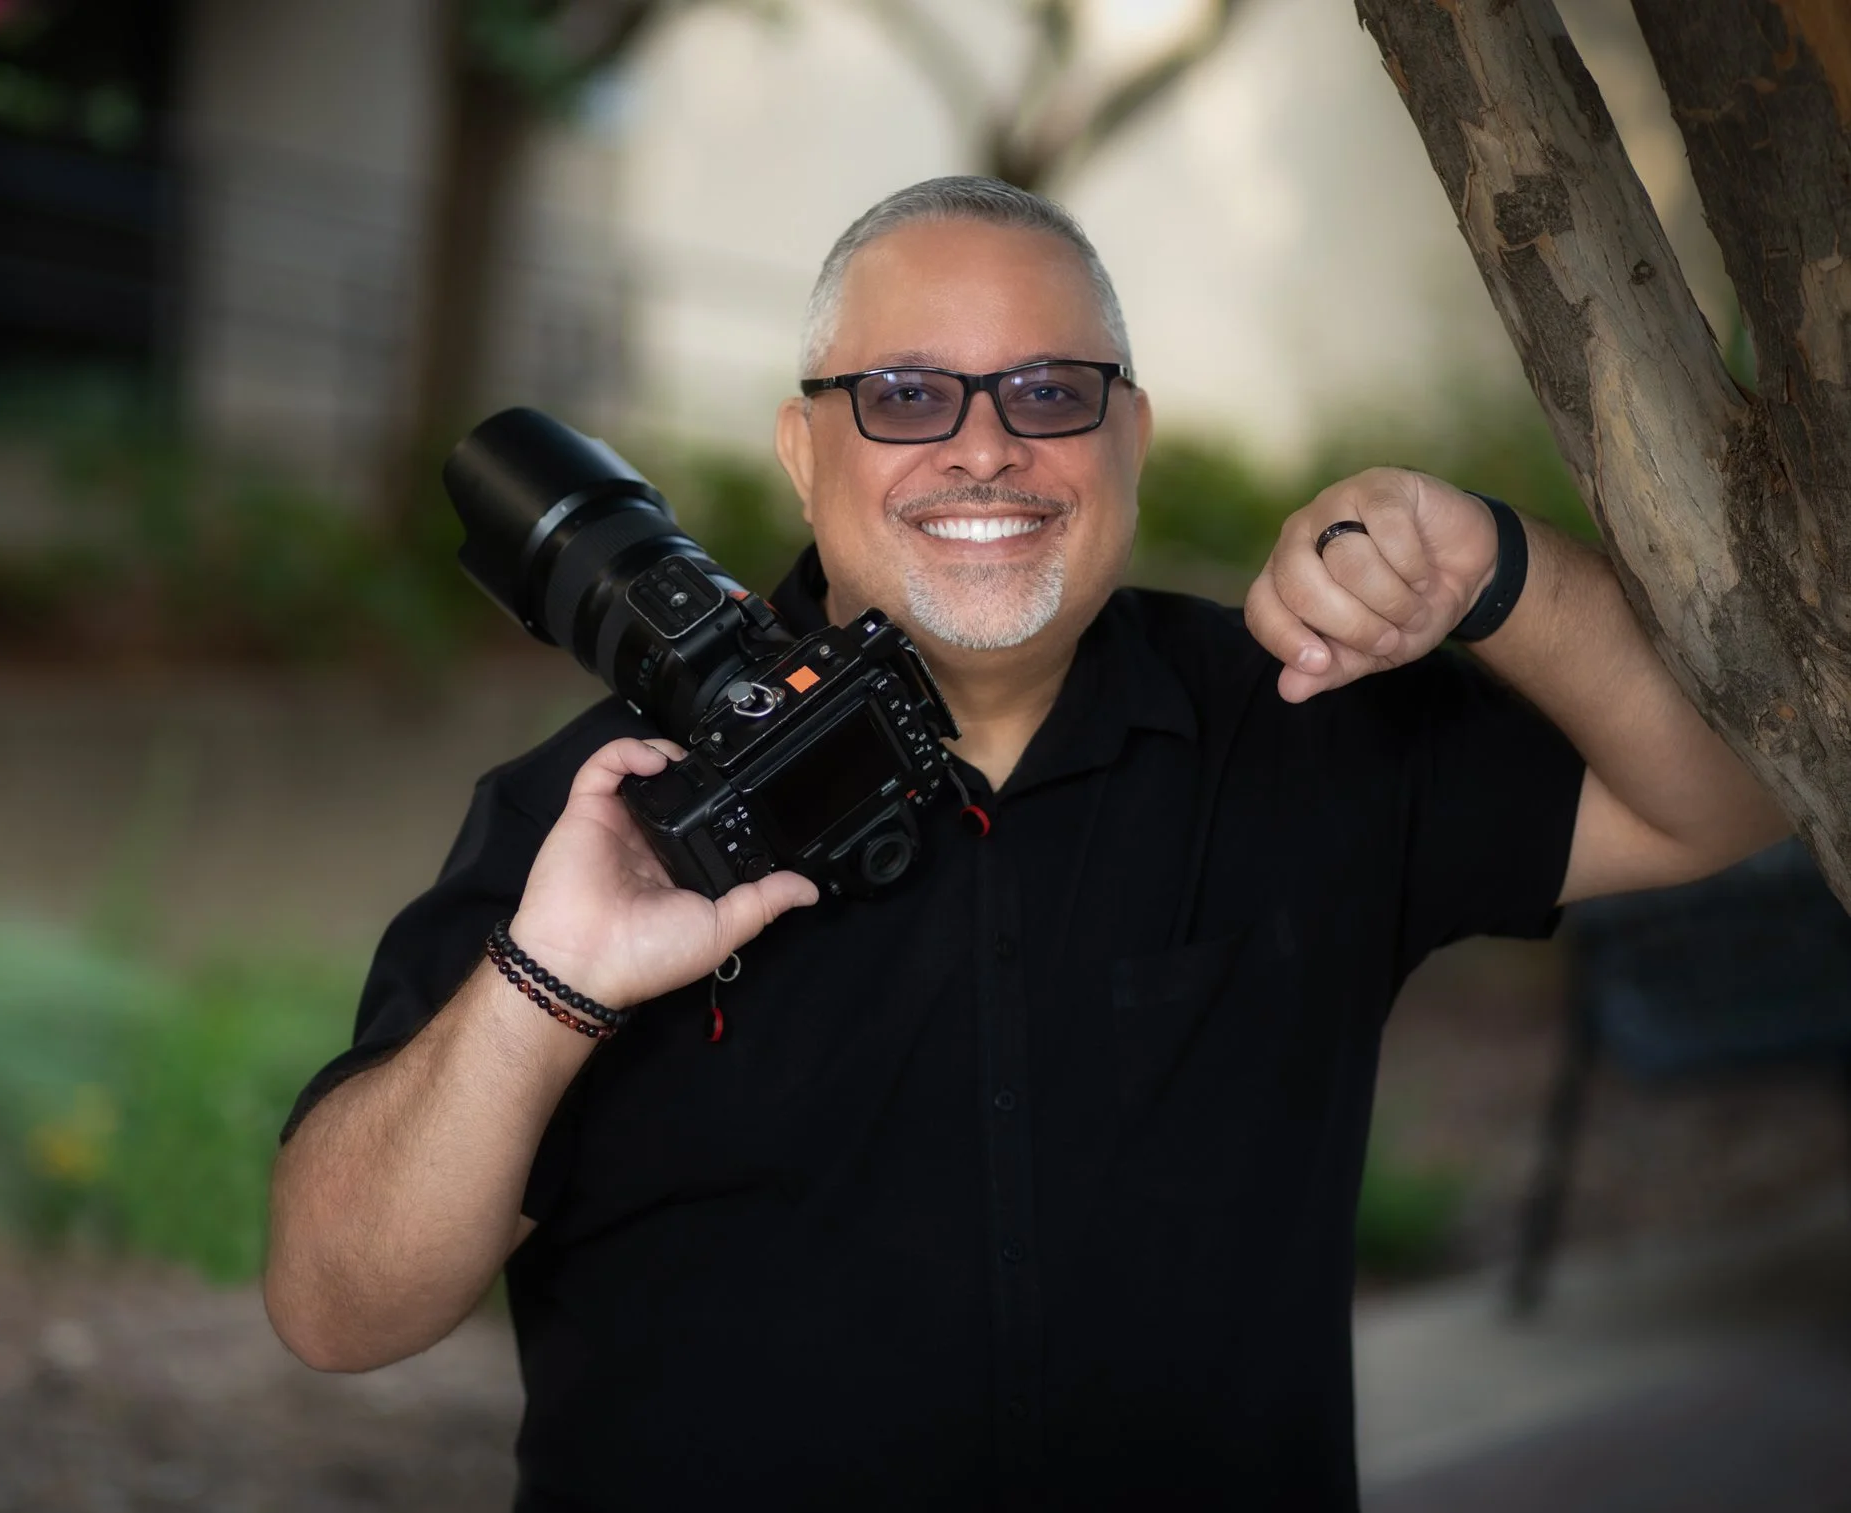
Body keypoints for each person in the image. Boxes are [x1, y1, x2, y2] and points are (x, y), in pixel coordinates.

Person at [261, 177, 1789, 1510]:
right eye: (909, 395)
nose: (984, 450)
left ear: (1131, 434)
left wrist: (1495, 570)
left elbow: (1725, 796)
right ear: (803, 451)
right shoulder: (600, 817)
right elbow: (337, 1311)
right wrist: (550, 987)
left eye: (1049, 392)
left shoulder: (1306, 719)